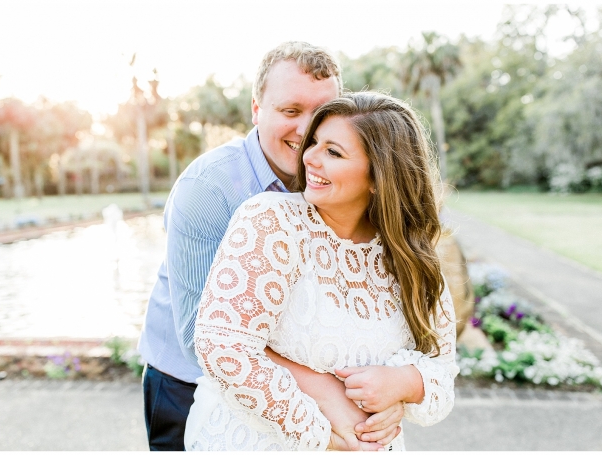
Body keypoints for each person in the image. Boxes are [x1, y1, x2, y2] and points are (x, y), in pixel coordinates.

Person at [137, 42, 403, 451]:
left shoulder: (338, 180)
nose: (307, 131)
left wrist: (389, 389)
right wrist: (326, 390)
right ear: (256, 109)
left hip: (296, 395)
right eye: (291, 111)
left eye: (321, 114)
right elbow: (200, 336)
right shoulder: (207, 189)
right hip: (186, 387)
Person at [185, 91, 459, 451]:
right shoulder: (272, 221)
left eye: (333, 152)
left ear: (379, 177)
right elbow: (222, 343)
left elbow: (442, 369)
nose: (309, 156)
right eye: (314, 142)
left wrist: (404, 385)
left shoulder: (410, 254)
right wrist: (318, 421)